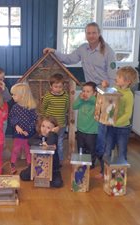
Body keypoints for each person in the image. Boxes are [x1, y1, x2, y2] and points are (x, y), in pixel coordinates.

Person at [44, 22, 117, 175]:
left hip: (104, 94)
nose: (91, 35)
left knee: (102, 130)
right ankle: (89, 158)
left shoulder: (108, 51)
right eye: (88, 33)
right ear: (86, 34)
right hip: (89, 91)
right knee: (89, 126)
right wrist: (54, 52)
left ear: (99, 33)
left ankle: (101, 161)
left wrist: (106, 88)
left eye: (94, 33)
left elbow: (112, 76)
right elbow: (69, 59)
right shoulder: (83, 49)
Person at [103, 66, 139, 168]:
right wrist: (105, 87)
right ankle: (104, 171)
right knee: (107, 149)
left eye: (119, 77)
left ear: (127, 81)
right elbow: (107, 97)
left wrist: (115, 122)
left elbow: (128, 114)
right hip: (111, 126)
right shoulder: (114, 89)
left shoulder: (129, 95)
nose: (116, 78)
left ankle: (120, 173)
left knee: (122, 150)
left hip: (123, 128)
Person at [19, 116, 63, 188]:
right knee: (23, 176)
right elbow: (30, 141)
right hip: (37, 165)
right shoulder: (39, 135)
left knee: (57, 183)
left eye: (48, 128)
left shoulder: (54, 136)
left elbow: (50, 142)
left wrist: (52, 132)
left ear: (54, 129)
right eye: (43, 126)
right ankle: (39, 174)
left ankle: (46, 175)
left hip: (53, 167)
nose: (44, 129)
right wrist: (42, 143)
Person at [9, 83, 37, 174]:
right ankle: (12, 163)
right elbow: (12, 117)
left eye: (14, 94)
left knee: (28, 149)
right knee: (16, 149)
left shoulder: (31, 108)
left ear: (22, 96)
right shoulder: (15, 107)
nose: (12, 96)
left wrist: (28, 130)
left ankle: (29, 164)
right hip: (18, 133)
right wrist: (16, 126)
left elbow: (34, 120)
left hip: (28, 133)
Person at [41, 73, 69, 163]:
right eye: (55, 86)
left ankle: (59, 160)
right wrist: (46, 119)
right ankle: (48, 158)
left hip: (61, 125)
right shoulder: (48, 96)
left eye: (60, 87)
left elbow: (66, 107)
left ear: (63, 86)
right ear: (51, 86)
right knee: (49, 141)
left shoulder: (65, 96)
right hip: (50, 125)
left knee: (60, 142)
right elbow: (43, 107)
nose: (58, 89)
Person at [72, 81, 99, 168]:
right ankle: (82, 162)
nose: (85, 93)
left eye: (88, 91)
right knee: (81, 148)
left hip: (92, 131)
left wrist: (89, 98)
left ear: (94, 93)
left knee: (91, 149)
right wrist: (80, 99)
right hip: (80, 130)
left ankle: (91, 164)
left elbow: (97, 102)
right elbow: (74, 106)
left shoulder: (96, 101)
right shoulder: (81, 100)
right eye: (83, 91)